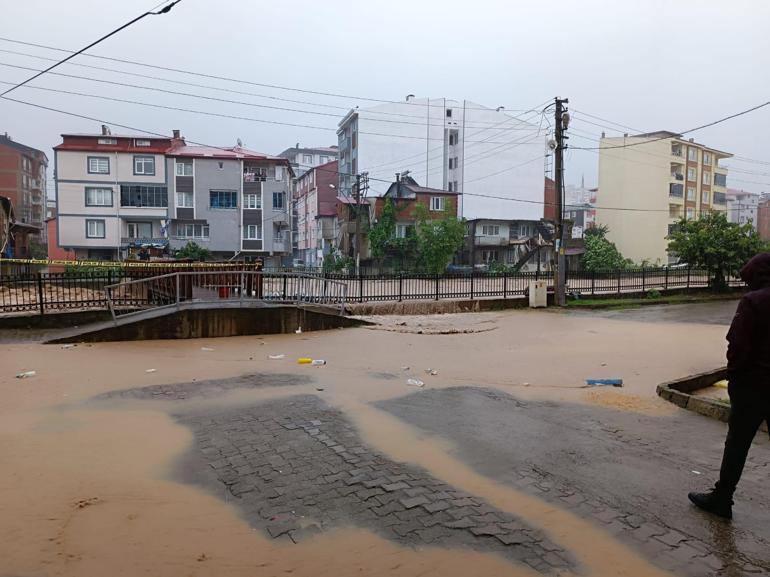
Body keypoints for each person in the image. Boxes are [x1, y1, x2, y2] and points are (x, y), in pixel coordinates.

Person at [689, 253, 770, 520]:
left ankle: (722, 499)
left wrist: (735, 377)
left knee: (738, 444)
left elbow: (737, 346)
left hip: (753, 387)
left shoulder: (753, 302)